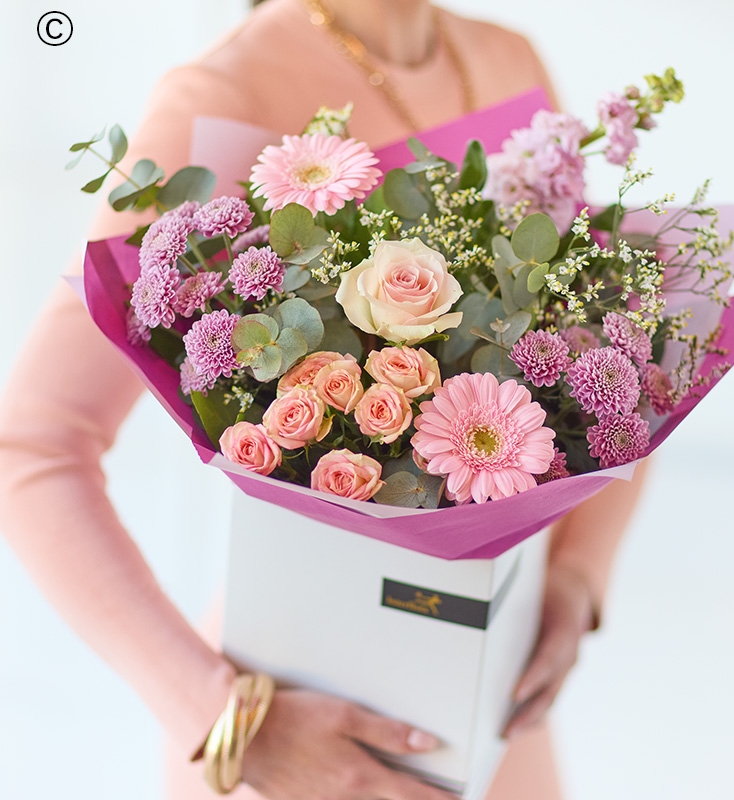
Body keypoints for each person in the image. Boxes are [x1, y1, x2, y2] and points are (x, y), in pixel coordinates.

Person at [0, 0, 648, 798]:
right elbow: (32, 446)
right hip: (299, 729)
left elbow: (613, 355)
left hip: (495, 712)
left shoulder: (513, 58)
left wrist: (577, 576)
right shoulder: (226, 89)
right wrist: (223, 718)